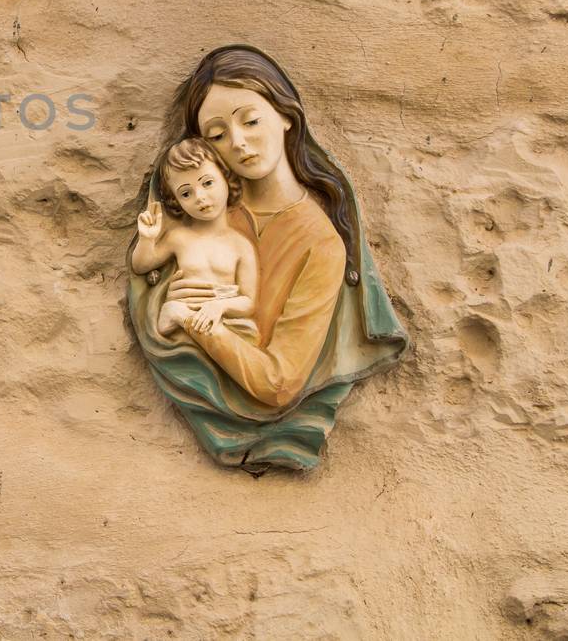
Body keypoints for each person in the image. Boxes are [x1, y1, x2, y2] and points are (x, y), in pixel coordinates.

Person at [125, 45, 407, 470]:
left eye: (251, 121)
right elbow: (149, 286)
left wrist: (193, 323)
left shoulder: (319, 243)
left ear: (286, 115)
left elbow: (278, 384)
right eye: (217, 134)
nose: (238, 143)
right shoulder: (199, 215)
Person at [130, 138, 257, 339]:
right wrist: (147, 239)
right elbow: (141, 266)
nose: (199, 196)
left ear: (226, 177)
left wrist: (219, 307)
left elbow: (249, 302)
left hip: (227, 322)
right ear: (176, 201)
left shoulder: (241, 245)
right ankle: (178, 317)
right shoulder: (179, 238)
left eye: (207, 183)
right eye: (186, 193)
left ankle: (180, 317)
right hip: (189, 323)